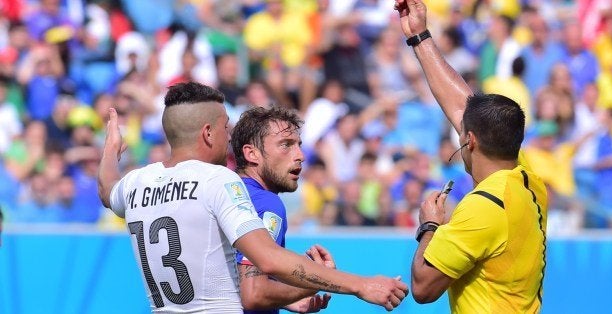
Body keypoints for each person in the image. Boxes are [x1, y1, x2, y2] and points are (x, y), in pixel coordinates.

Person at [97, 82, 408, 313]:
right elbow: (263, 270)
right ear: (208, 133)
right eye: (225, 128)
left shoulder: (137, 182)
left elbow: (107, 190)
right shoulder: (218, 180)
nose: (229, 137)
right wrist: (360, 284)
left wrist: (110, 152)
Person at [395, 1, 548, 313]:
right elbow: (463, 106)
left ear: (470, 140)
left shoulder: (483, 208)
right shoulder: (528, 180)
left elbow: (423, 288)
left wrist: (430, 226)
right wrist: (419, 36)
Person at [231, 106, 333, 313]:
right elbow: (253, 293)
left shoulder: (222, 195)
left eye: (299, 145)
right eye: (286, 145)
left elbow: (229, 278)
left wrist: (285, 300)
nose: (301, 156)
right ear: (252, 153)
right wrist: (317, 279)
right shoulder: (267, 204)